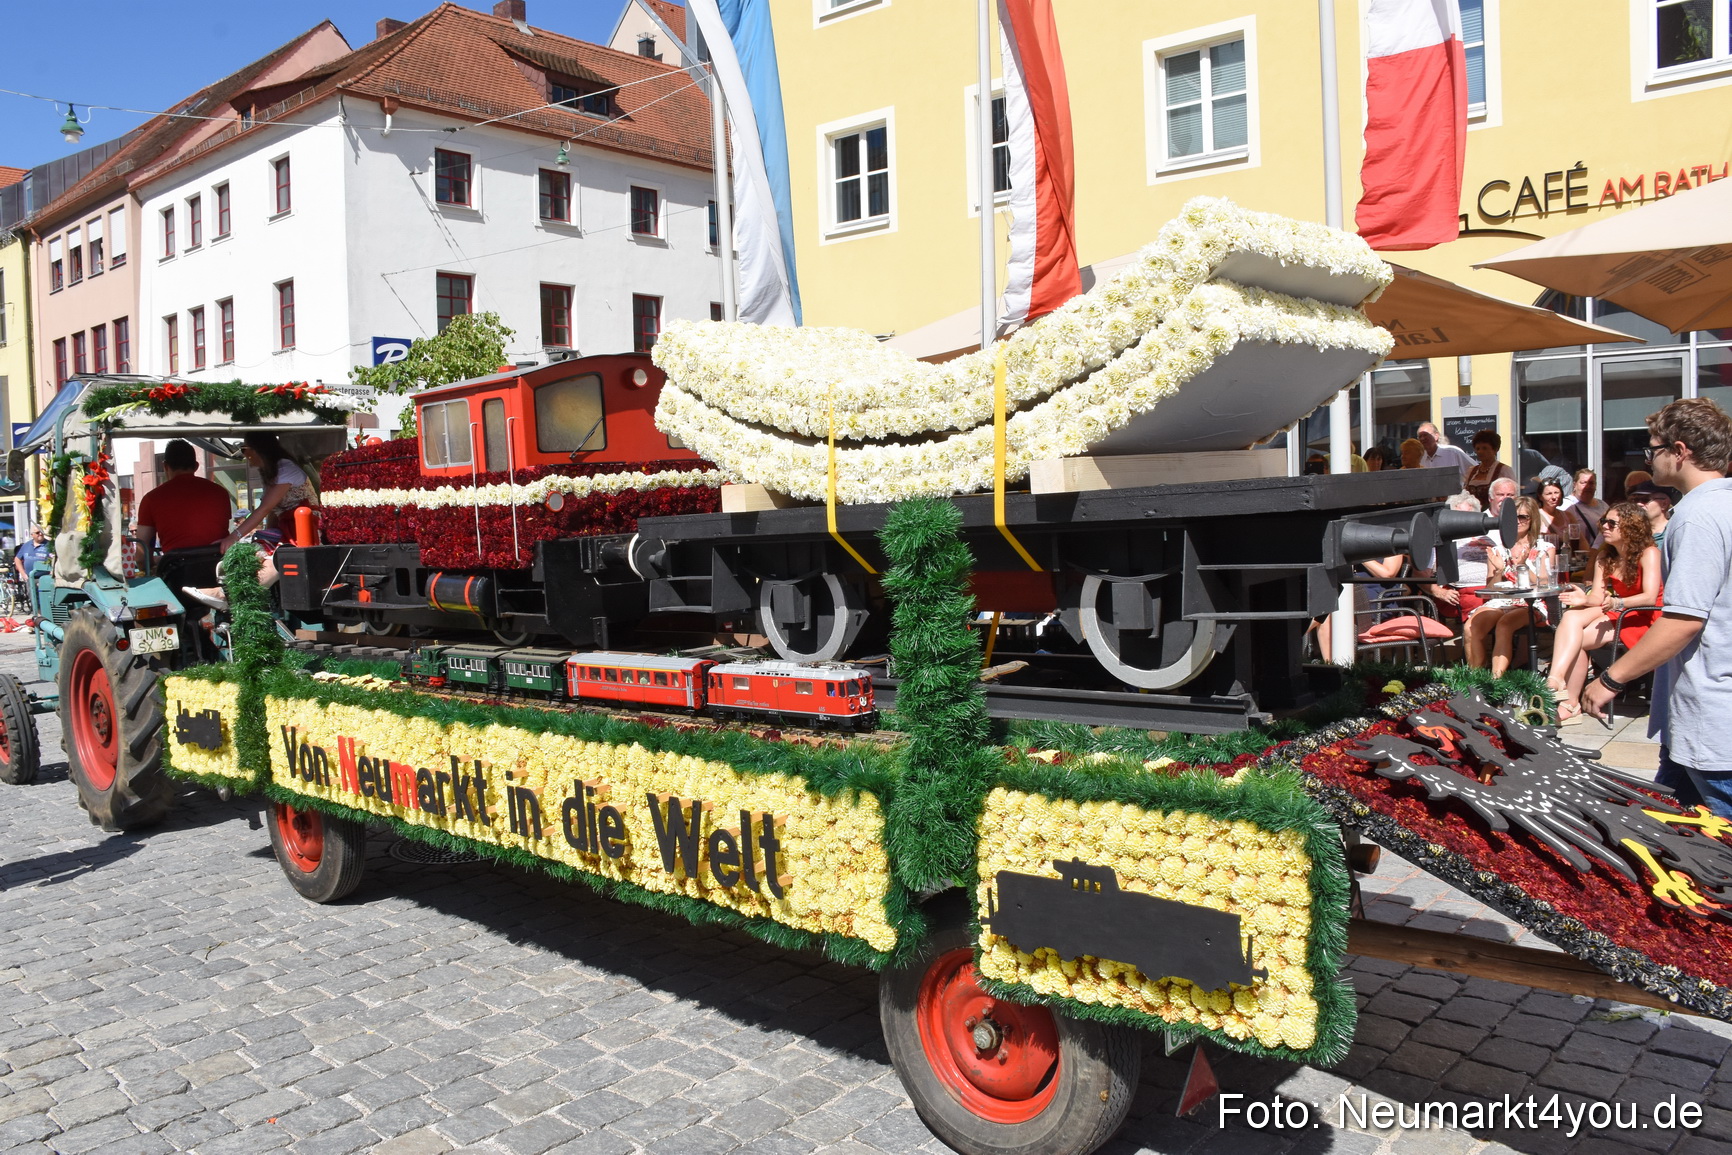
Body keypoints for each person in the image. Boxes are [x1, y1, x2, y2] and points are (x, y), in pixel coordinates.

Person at [1585, 398, 1732, 816]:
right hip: (1698, 723)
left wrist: (1611, 679)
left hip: (1712, 722)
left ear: (1680, 451)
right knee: (1664, 836)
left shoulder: (1698, 515)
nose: (1649, 459)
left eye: (1653, 449)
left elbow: (1684, 620)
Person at [1549, 502, 1663, 724]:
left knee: (1578, 637)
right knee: (1572, 617)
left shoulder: (1649, 553)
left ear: (1632, 527)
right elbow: (1598, 599)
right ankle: (1558, 681)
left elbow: (1649, 597)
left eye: (1612, 523)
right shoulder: (1605, 557)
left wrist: (1619, 602)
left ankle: (1569, 701)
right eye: (1604, 522)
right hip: (1620, 611)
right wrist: (1584, 598)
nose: (1605, 527)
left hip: (1647, 615)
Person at [1464, 496, 1557, 677]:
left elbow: (1545, 583)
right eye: (1513, 517)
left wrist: (1520, 567)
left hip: (1530, 602)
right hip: (1501, 602)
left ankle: (1496, 682)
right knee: (1470, 627)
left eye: (1523, 517)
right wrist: (1499, 570)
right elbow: (1489, 591)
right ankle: (1476, 678)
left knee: (1505, 625)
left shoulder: (1544, 548)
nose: (1517, 521)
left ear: (1532, 520)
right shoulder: (1498, 550)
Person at [135, 440, 233, 573]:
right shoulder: (220, 493)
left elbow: (142, 557)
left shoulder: (151, 499)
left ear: (165, 466)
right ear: (196, 466)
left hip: (176, 575)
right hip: (218, 571)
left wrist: (153, 563)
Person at [219, 432, 317, 549]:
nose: (244, 454)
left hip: (305, 528)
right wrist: (268, 535)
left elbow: (265, 508)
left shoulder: (286, 469)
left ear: (258, 449)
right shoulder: (270, 471)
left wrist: (234, 537)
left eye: (244, 449)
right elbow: (272, 512)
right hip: (286, 528)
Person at [1462, 429, 1516, 508]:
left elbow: (1513, 495)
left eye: (1485, 448)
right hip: (1472, 516)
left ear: (1495, 449)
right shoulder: (1471, 471)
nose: (1480, 451)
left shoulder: (1503, 470)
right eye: (1477, 448)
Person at [1559, 467, 1608, 549]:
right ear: (1575, 485)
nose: (1587, 487)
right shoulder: (1566, 506)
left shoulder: (1603, 505)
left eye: (1591, 483)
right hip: (1581, 555)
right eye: (1583, 483)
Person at [1626, 479, 1673, 546]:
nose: (1639, 504)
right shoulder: (1630, 532)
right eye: (1635, 500)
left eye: (1645, 499)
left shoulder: (1674, 532)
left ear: (1664, 504)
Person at [1536, 479, 1569, 550]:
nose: (1554, 497)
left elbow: (1582, 542)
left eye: (1556, 492)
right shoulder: (1536, 516)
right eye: (1549, 494)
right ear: (1540, 496)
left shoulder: (1568, 516)